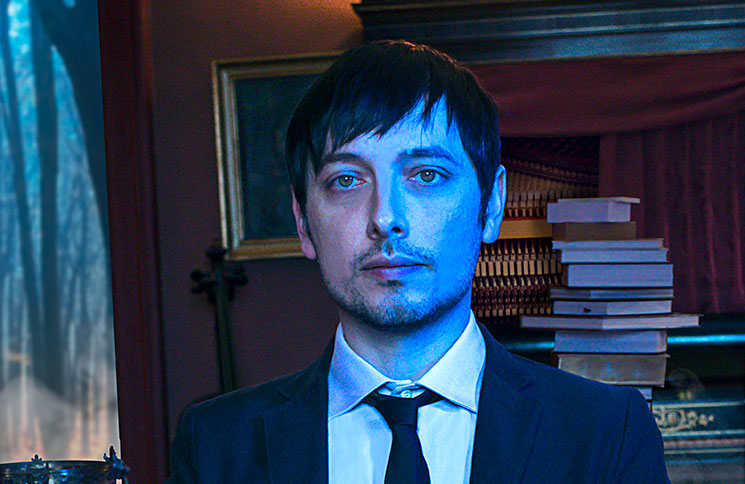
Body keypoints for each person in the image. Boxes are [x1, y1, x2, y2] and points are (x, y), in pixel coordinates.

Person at [166, 40, 670, 484]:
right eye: (347, 180)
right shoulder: (214, 446)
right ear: (303, 223)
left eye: (427, 175)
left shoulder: (607, 433)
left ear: (492, 206)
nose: (386, 218)